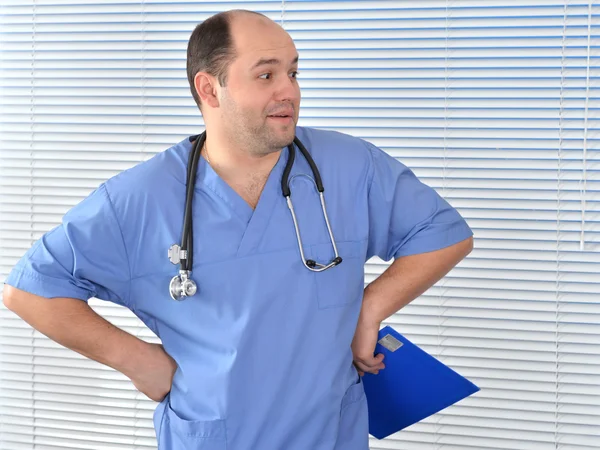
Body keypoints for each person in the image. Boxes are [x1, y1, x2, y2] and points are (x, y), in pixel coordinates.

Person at [2, 9, 473, 450]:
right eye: (266, 75)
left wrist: (369, 309)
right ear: (210, 89)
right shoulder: (139, 199)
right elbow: (31, 289)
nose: (288, 90)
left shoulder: (351, 166)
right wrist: (136, 361)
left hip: (329, 430)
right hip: (215, 434)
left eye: (293, 72)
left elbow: (444, 233)